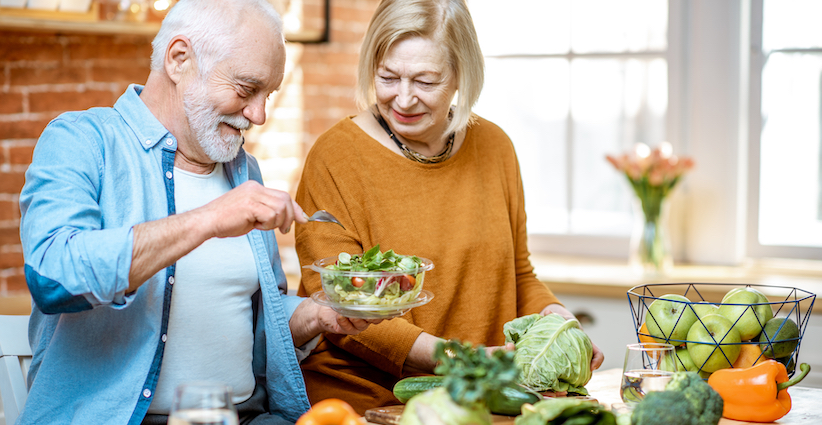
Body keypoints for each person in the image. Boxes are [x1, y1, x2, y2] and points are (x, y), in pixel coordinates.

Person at [17, 1, 376, 423]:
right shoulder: (82, 141)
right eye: (246, 89)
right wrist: (208, 219)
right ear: (178, 59)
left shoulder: (243, 171)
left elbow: (251, 326)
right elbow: (52, 277)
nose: (259, 115)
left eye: (268, 95)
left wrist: (317, 315)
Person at [294, 0, 605, 413]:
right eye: (388, 77)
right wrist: (462, 359)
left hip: (480, 399)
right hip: (368, 403)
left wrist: (559, 323)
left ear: (462, 75)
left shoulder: (495, 147)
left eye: (425, 81)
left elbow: (518, 274)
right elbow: (341, 306)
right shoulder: (336, 156)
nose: (404, 99)